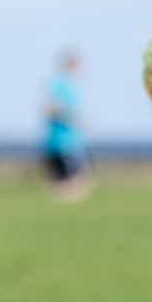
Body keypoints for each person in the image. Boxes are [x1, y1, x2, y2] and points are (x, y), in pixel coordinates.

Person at [43, 50, 92, 202]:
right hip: (61, 143)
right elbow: (49, 108)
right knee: (67, 185)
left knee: (80, 183)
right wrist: (70, 118)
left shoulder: (71, 86)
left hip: (73, 142)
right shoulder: (59, 85)